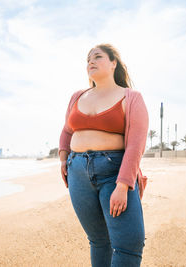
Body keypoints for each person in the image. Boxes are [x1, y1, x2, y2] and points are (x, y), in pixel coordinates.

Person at [58, 43, 149, 267]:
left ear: (113, 63)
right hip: (77, 172)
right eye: (88, 59)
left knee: (129, 244)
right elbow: (67, 130)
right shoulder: (77, 96)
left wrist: (123, 185)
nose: (90, 61)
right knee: (99, 241)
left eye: (97, 57)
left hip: (114, 172)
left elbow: (136, 144)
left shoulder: (131, 97)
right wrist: (63, 158)